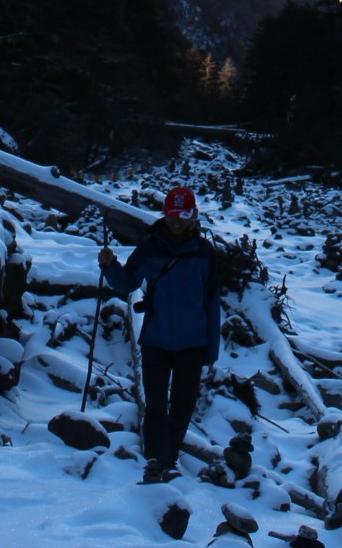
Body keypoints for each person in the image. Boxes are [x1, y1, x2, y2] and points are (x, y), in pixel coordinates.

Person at [98, 185, 221, 481]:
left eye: (183, 215)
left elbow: (212, 303)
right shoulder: (150, 247)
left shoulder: (205, 254)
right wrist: (110, 265)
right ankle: (158, 462)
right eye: (172, 215)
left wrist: (211, 348)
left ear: (193, 216)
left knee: (182, 407)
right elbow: (127, 283)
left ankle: (168, 459)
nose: (177, 221)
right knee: (155, 406)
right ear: (165, 215)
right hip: (156, 340)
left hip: (192, 343)